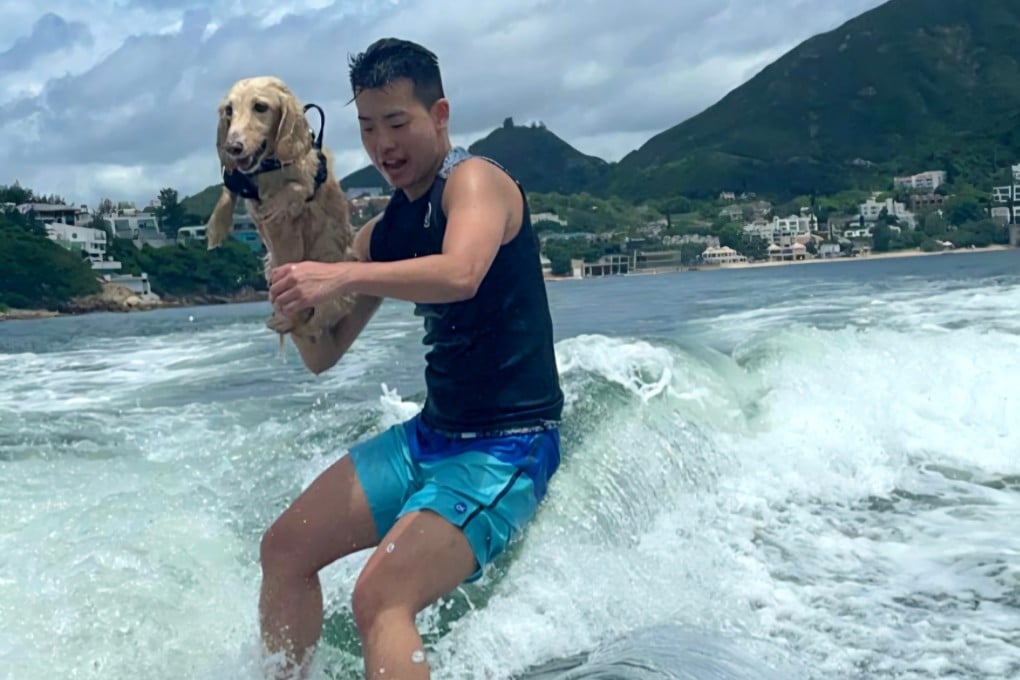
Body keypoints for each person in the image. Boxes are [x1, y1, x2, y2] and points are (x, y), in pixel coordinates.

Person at [261, 37, 565, 680]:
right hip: (433, 437)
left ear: (441, 115)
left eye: (397, 123)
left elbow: (461, 273)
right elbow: (325, 354)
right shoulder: (385, 231)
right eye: (368, 128)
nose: (383, 145)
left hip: (508, 445)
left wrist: (337, 278)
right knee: (285, 549)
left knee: (378, 597)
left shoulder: (477, 183)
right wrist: (293, 280)